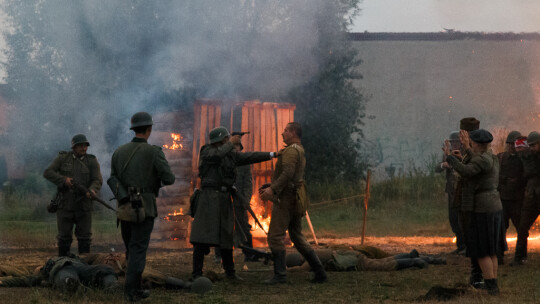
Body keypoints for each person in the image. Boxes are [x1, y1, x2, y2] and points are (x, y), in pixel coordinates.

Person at [189, 126, 275, 281]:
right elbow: (216, 156)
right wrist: (231, 143)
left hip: (224, 199)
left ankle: (230, 272)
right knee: (202, 237)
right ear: (221, 140)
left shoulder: (229, 155)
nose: (229, 141)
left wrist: (272, 154)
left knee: (226, 236)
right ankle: (196, 273)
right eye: (226, 139)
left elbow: (249, 157)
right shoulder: (207, 151)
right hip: (208, 198)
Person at [108, 112, 175, 302]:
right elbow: (169, 178)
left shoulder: (119, 151)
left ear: (133, 129)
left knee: (131, 249)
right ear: (149, 129)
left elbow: (113, 178)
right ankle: (131, 292)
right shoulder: (154, 152)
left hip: (124, 208)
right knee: (138, 250)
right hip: (144, 208)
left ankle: (135, 287)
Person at [259, 122, 327, 284]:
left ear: (294, 133)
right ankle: (319, 271)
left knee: (275, 236)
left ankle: (280, 275)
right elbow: (292, 176)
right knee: (297, 236)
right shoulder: (298, 149)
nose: (283, 134)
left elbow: (288, 172)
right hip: (294, 197)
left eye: (286, 131)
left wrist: (273, 190)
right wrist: (273, 185)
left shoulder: (290, 151)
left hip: (286, 198)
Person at [445, 129, 505, 295]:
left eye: (471, 143)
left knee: (482, 250)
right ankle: (492, 283)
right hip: (493, 206)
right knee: (491, 250)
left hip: (483, 209)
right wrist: (465, 152)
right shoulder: (490, 157)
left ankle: (491, 287)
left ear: (477, 144)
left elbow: (467, 171)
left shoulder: (483, 160)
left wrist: (451, 159)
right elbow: (475, 161)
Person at [44, 134, 103, 257]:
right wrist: (63, 179)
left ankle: (84, 267)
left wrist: (92, 190)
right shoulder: (63, 158)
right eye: (81, 146)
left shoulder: (91, 160)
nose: (84, 148)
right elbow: (48, 172)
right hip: (65, 204)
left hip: (84, 205)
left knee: (85, 238)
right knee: (64, 238)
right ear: (74, 147)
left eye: (85, 145)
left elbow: (97, 179)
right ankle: (63, 266)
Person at [215, 136, 257, 263]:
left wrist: (246, 199)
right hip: (225, 198)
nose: (235, 149)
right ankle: (219, 255)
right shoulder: (222, 160)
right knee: (222, 227)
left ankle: (249, 255)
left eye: (237, 147)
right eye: (232, 147)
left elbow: (248, 183)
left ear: (240, 148)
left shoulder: (244, 162)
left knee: (244, 227)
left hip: (239, 199)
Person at [497, 131, 526, 263]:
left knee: (521, 229)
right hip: (503, 199)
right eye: (509, 144)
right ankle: (499, 255)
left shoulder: (524, 159)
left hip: (518, 200)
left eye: (513, 144)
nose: (511, 146)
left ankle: (520, 257)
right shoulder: (501, 158)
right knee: (500, 228)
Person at [513, 131, 540, 266]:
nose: (532, 148)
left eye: (534, 145)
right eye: (531, 145)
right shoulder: (528, 155)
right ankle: (519, 257)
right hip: (531, 196)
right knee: (523, 227)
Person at [436, 131, 465, 254]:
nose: (454, 145)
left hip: (462, 192)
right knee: (453, 220)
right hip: (452, 192)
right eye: (453, 142)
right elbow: (437, 168)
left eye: (456, 142)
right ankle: (460, 246)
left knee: (462, 219)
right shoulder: (448, 154)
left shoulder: (465, 154)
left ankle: (465, 246)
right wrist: (444, 164)